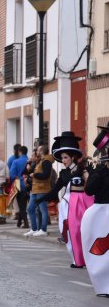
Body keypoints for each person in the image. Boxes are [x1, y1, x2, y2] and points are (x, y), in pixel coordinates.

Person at [37, 132, 93, 268]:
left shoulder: (83, 169)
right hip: (69, 207)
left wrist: (91, 174)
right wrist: (42, 199)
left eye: (66, 157)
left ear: (73, 157)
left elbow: (92, 184)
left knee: (85, 232)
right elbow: (55, 190)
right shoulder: (63, 173)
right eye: (62, 158)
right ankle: (78, 260)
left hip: (84, 204)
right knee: (72, 232)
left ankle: (89, 259)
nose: (63, 160)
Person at [81, 122, 109, 297]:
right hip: (101, 214)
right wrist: (98, 172)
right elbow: (90, 190)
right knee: (102, 253)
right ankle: (105, 285)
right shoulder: (100, 171)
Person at [25, 145, 54, 237]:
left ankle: (43, 229)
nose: (36, 152)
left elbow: (46, 175)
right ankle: (34, 229)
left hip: (42, 189)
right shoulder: (41, 161)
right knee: (30, 209)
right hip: (35, 189)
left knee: (43, 210)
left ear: (41, 151)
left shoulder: (46, 162)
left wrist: (35, 175)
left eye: (38, 150)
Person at [9, 146, 29, 229]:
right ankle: (19, 221)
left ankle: (26, 223)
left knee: (21, 205)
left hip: (19, 185)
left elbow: (12, 175)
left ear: (20, 152)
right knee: (25, 205)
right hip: (31, 185)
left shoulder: (16, 161)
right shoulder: (30, 161)